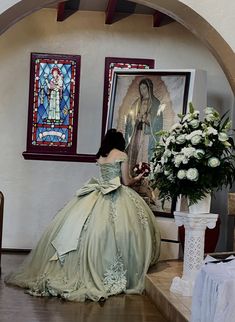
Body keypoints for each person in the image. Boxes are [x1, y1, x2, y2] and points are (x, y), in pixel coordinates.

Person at [5, 129, 161, 302]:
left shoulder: (101, 156)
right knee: (124, 230)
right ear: (120, 142)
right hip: (117, 194)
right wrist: (138, 177)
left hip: (97, 193)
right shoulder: (122, 155)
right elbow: (126, 182)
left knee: (81, 227)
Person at [124, 78, 163, 172]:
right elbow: (130, 119)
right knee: (137, 153)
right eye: (141, 89)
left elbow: (158, 122)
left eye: (144, 88)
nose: (142, 91)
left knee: (145, 153)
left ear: (150, 88)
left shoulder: (156, 103)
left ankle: (146, 174)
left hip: (148, 135)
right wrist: (135, 120)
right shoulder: (136, 103)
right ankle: (134, 173)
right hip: (137, 133)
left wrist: (147, 120)